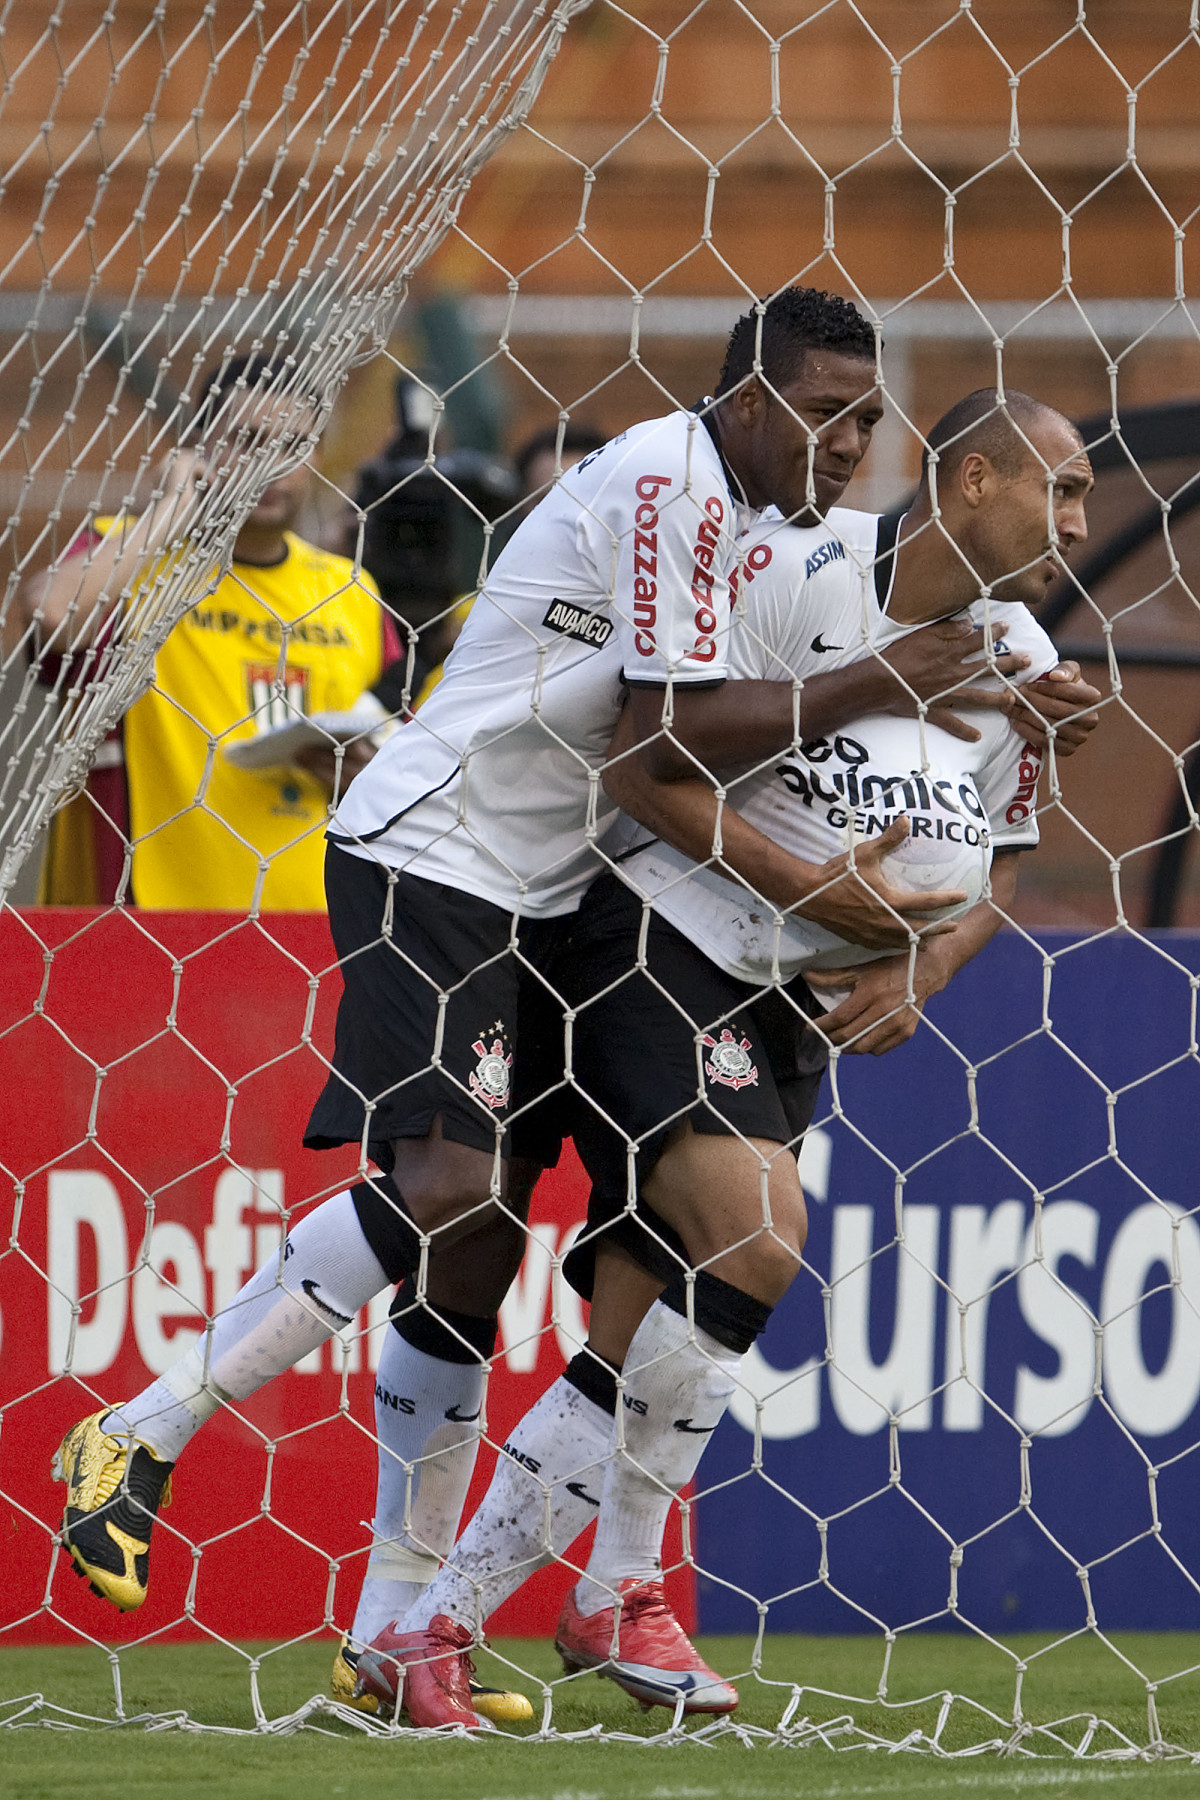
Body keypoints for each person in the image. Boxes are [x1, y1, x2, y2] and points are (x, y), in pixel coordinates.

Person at [49, 294, 1096, 1721]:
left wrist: (933, 876)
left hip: (565, 891)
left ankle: (400, 1635)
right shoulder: (672, 482)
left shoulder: (788, 541)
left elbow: (903, 753)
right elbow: (661, 746)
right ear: (745, 402)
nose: (851, 444)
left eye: (867, 418)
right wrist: (886, 694)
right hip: (445, 843)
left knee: (476, 1250)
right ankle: (138, 1432)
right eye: (824, 412)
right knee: (448, 1187)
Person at [350, 388, 1097, 1728]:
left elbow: (1005, 865)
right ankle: (429, 1619)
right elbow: (660, 753)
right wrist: (814, 879)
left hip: (793, 1000)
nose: (1084, 522)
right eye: (1066, 487)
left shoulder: (1024, 657)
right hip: (660, 948)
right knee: (758, 1238)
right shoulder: (790, 573)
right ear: (975, 480)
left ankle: (603, 1597)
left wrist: (916, 966)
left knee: (655, 1311)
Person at [25, 355, 394, 909]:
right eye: (246, 439)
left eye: (292, 446)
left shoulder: (351, 589)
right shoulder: (128, 558)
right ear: (199, 446)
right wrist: (170, 508)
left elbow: (393, 742)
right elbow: (52, 613)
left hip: (313, 924)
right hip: (144, 920)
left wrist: (363, 773)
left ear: (316, 458)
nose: (270, 464)